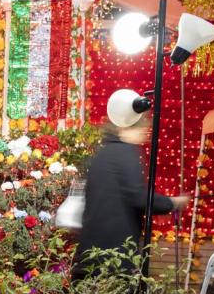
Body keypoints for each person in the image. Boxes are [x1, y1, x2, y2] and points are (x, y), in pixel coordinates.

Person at [73, 116, 189, 280]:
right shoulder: (126, 152)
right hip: (115, 253)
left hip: (90, 252)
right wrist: (172, 203)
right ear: (124, 129)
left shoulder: (102, 153)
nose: (145, 135)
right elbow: (139, 197)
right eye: (141, 130)